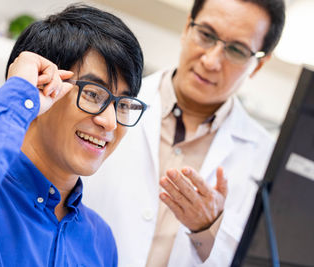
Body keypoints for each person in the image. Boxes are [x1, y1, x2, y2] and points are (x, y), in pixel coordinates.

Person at [0, 4, 145, 266]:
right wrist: (18, 98)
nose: (110, 122)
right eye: (93, 94)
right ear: (41, 84)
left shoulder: (99, 240)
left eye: (123, 104)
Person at [82, 0, 286, 266]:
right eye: (206, 34)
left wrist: (208, 228)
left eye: (236, 50)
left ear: (258, 65)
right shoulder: (107, 108)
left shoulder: (267, 162)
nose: (211, 61)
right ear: (187, 27)